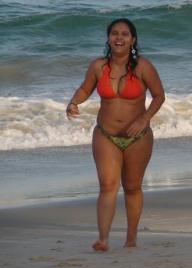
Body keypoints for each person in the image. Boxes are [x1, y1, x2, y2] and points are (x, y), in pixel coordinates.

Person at [66, 18, 165, 251]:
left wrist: (143, 119)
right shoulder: (98, 66)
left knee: (132, 187)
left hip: (138, 137)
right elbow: (85, 89)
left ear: (133, 40)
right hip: (105, 135)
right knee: (107, 185)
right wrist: (74, 101)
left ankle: (131, 238)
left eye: (124, 34)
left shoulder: (143, 66)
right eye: (114, 33)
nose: (119, 38)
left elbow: (159, 96)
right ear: (108, 38)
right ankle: (103, 238)